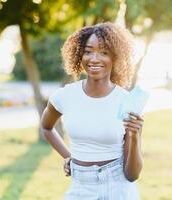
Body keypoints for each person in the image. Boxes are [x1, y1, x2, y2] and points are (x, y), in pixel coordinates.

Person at [40, 22, 144, 200]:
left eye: (104, 52)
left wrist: (135, 136)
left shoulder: (125, 101)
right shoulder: (64, 96)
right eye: (88, 51)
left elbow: (132, 175)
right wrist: (68, 157)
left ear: (115, 57)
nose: (94, 58)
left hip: (117, 187)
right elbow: (46, 128)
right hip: (80, 186)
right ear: (80, 55)